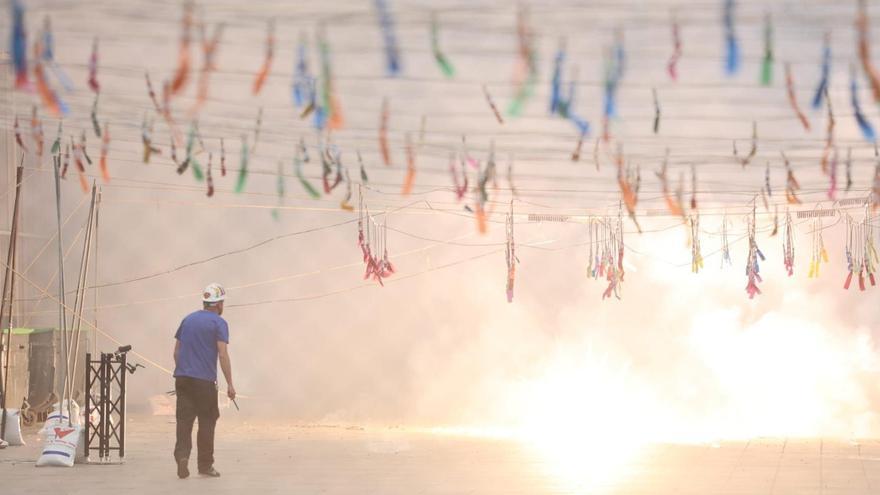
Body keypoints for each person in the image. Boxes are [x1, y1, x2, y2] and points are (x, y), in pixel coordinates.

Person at [172, 283, 235, 479]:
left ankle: (182, 457)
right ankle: (205, 465)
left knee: (184, 421)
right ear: (218, 304)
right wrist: (230, 384)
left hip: (182, 379)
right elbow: (223, 355)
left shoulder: (188, 319)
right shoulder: (218, 323)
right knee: (207, 421)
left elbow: (176, 351)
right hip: (204, 382)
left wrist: (184, 369)